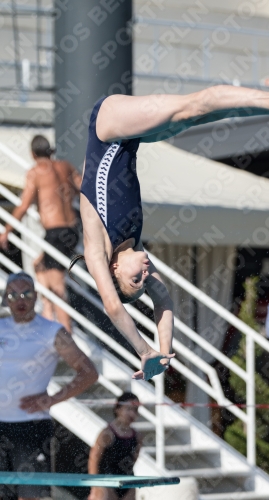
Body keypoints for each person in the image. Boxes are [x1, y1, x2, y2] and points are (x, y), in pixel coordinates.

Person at [73, 83, 269, 381]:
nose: (145, 275)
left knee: (191, 106)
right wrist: (164, 351)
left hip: (107, 128)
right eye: (144, 280)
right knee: (199, 116)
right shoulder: (134, 246)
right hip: (128, 139)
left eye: (135, 279)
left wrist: (143, 351)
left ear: (113, 269)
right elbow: (164, 301)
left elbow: (112, 306)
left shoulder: (99, 246)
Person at [0, 271, 99, 500]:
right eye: (13, 295)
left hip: (31, 426)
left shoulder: (51, 331)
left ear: (35, 296)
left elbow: (89, 373)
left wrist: (52, 399)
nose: (20, 299)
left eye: (25, 293)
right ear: (6, 299)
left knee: (32, 496)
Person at [0, 135, 82, 333]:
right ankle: (47, 315)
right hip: (72, 229)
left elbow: (24, 205)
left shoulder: (36, 172)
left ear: (32, 154)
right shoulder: (66, 166)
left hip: (55, 232)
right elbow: (85, 189)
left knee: (56, 287)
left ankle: (66, 333)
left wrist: (6, 231)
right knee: (39, 266)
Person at [88, 392, 142, 500]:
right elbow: (94, 459)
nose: (132, 414)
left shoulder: (138, 436)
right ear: (117, 409)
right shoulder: (107, 433)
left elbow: (133, 460)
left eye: (135, 410)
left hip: (128, 482)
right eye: (128, 409)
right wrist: (94, 486)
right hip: (106, 481)